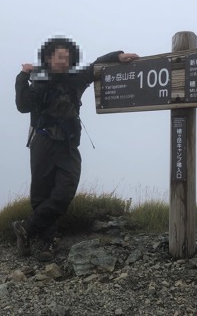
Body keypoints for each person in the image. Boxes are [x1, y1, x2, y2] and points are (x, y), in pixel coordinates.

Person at [13, 36, 138, 261]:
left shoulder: (75, 79)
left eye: (66, 56)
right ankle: (47, 243)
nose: (62, 60)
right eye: (58, 56)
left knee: (64, 192)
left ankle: (26, 228)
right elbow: (23, 106)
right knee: (41, 193)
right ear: (48, 58)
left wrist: (117, 56)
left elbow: (94, 67)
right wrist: (23, 76)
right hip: (42, 142)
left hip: (68, 144)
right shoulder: (40, 78)